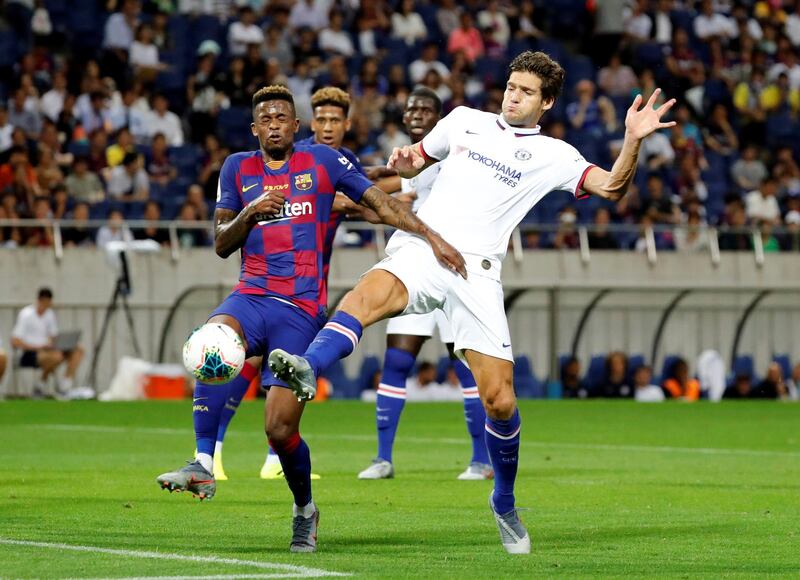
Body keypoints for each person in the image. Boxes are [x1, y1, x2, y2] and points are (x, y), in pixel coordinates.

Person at [267, 51, 675, 554]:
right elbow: (418, 157)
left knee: (500, 401)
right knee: (367, 294)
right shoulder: (463, 121)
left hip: (477, 271)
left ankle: (503, 501)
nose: (513, 95)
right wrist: (404, 160)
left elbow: (611, 187)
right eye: (510, 85)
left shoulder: (555, 154)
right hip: (424, 245)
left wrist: (632, 140)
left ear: (545, 102)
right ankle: (307, 366)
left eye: (526, 91)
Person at [156, 86, 461, 554]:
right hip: (251, 295)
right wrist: (249, 214)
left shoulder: (321, 162)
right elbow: (220, 242)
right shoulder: (237, 168)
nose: (275, 123)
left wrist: (430, 235)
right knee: (212, 339)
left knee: (279, 428)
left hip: (300, 311)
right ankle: (201, 460)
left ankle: (304, 509)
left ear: (296, 126)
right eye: (266, 118)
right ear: (255, 128)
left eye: (283, 116)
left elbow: (378, 200)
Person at [209, 86, 370, 482]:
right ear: (310, 124)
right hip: (269, 283)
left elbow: (371, 187)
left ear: (347, 125)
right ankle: (210, 450)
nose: (328, 127)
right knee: (243, 362)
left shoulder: (333, 162)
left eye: (336, 120)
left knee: (276, 372)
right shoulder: (284, 163)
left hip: (310, 283)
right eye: (322, 120)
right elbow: (350, 201)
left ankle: (270, 457)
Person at [356, 87, 491, 482]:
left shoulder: (454, 154)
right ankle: (383, 458)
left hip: (453, 271)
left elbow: (388, 188)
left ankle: (481, 460)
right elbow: (382, 188)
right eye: (411, 107)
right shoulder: (404, 159)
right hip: (415, 267)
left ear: (440, 117)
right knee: (397, 361)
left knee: (466, 365)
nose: (417, 112)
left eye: (426, 108)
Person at [10, 287, 84, 396]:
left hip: (49, 351)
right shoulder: (26, 315)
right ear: (39, 300)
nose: (47, 306)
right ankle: (41, 384)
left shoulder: (49, 314)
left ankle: (65, 386)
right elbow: (15, 341)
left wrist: (52, 343)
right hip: (30, 354)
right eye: (45, 303)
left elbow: (53, 336)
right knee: (57, 356)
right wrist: (37, 347)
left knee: (78, 350)